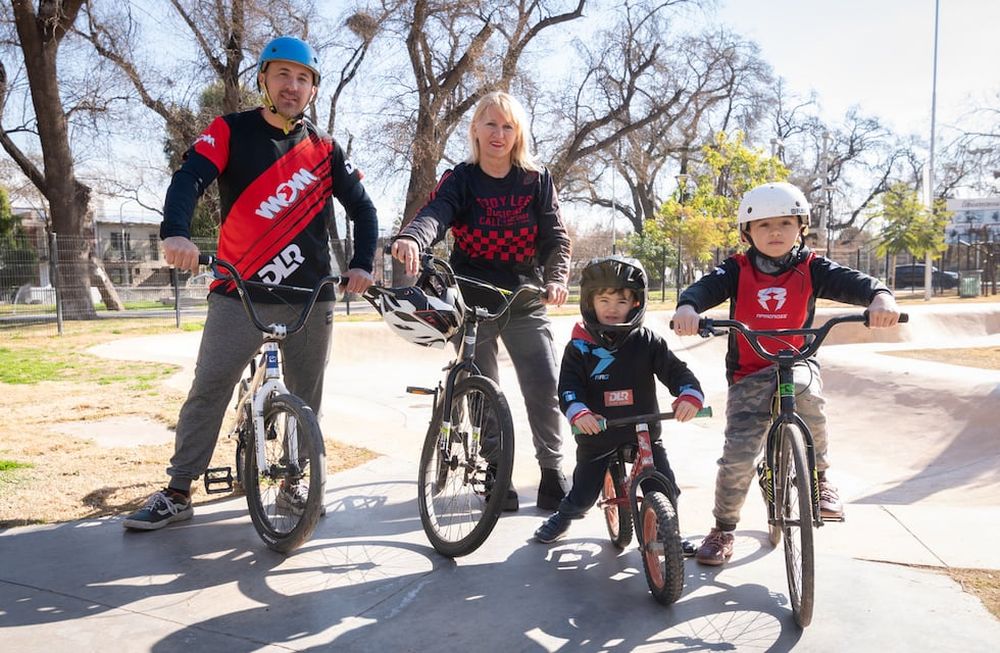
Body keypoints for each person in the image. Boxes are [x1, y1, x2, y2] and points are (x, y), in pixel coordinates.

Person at [123, 36, 378, 530]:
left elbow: (364, 210)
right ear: (262, 79)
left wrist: (362, 264)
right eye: (283, 74)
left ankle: (294, 481)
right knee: (210, 386)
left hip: (310, 293)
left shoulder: (325, 150)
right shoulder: (229, 131)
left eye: (303, 78)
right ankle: (178, 490)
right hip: (237, 289)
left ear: (312, 90)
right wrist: (176, 231)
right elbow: (189, 178)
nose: (293, 85)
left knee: (307, 394)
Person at [671, 181, 900, 566]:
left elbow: (855, 282)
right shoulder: (737, 268)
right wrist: (688, 308)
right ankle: (723, 528)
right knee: (739, 456)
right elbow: (703, 288)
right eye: (763, 225)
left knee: (811, 400)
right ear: (747, 232)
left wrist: (881, 297)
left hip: (797, 362)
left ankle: (820, 480)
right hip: (749, 369)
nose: (775, 232)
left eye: (784, 223)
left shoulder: (811, 267)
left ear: (801, 227)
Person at [391, 91, 572, 511]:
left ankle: (551, 471)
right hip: (472, 299)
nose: (499, 133)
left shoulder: (536, 179)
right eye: (490, 124)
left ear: (518, 133)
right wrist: (412, 237)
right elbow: (436, 212)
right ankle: (496, 471)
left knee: (544, 386)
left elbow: (556, 239)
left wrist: (556, 278)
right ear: (475, 129)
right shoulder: (461, 178)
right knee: (482, 389)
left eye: (508, 126)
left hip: (524, 294)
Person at [534, 256, 705, 543]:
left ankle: (668, 532)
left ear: (636, 304)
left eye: (621, 302)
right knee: (584, 494)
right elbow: (568, 387)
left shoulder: (647, 341)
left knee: (664, 486)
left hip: (644, 433)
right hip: (598, 434)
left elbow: (676, 372)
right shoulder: (579, 346)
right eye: (604, 301)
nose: (612, 309)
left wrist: (689, 394)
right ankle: (564, 514)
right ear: (590, 302)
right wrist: (579, 411)